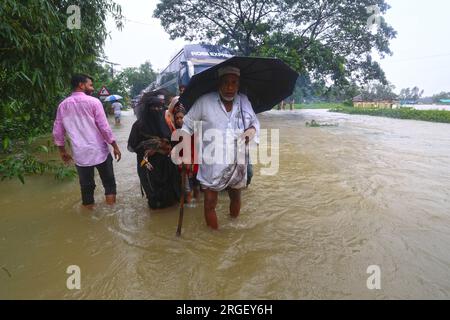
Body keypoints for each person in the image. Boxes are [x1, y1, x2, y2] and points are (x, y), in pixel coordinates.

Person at [181, 66, 260, 229]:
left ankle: (233, 226)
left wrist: (251, 131)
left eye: (234, 83)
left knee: (236, 197)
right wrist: (186, 154)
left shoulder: (244, 101)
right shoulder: (204, 102)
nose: (230, 87)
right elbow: (186, 127)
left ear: (238, 84)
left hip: (238, 161)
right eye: (226, 83)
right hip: (212, 162)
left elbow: (255, 123)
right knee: (210, 203)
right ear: (219, 84)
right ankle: (214, 238)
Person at [53, 74, 122, 209]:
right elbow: (104, 127)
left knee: (86, 187)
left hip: (80, 154)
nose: (92, 88)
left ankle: (88, 216)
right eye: (90, 85)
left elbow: (58, 131)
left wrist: (62, 151)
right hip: (99, 151)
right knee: (109, 184)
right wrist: (114, 145)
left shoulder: (62, 106)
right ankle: (111, 213)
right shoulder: (94, 102)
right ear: (81, 84)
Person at [127, 94, 181, 209]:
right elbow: (133, 145)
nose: (157, 110)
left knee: (171, 194)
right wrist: (150, 148)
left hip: (166, 164)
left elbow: (174, 140)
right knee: (154, 197)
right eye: (154, 107)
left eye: (160, 107)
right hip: (148, 166)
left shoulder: (166, 122)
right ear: (147, 108)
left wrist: (167, 146)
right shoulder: (139, 126)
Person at [173, 103, 200, 205]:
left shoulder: (193, 131)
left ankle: (197, 208)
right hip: (182, 165)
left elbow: (197, 147)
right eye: (177, 118)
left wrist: (193, 160)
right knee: (187, 190)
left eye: (181, 117)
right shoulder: (174, 132)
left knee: (197, 187)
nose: (179, 120)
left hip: (195, 164)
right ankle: (190, 208)